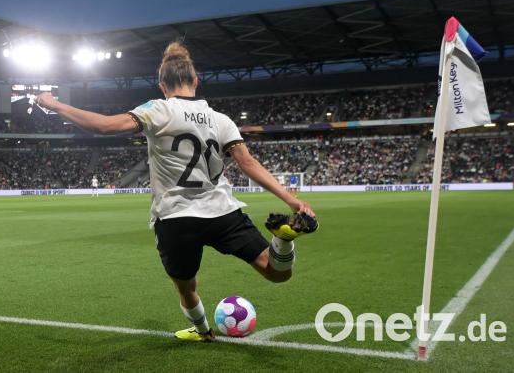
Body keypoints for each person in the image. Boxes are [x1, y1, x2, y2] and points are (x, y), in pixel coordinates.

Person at [36, 41, 318, 342]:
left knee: (186, 287)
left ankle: (203, 332)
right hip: (222, 212)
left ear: (162, 85)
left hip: (176, 218)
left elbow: (105, 126)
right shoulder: (221, 120)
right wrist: (290, 199)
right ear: (196, 81)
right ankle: (283, 239)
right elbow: (247, 163)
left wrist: (55, 105)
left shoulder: (156, 110)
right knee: (276, 272)